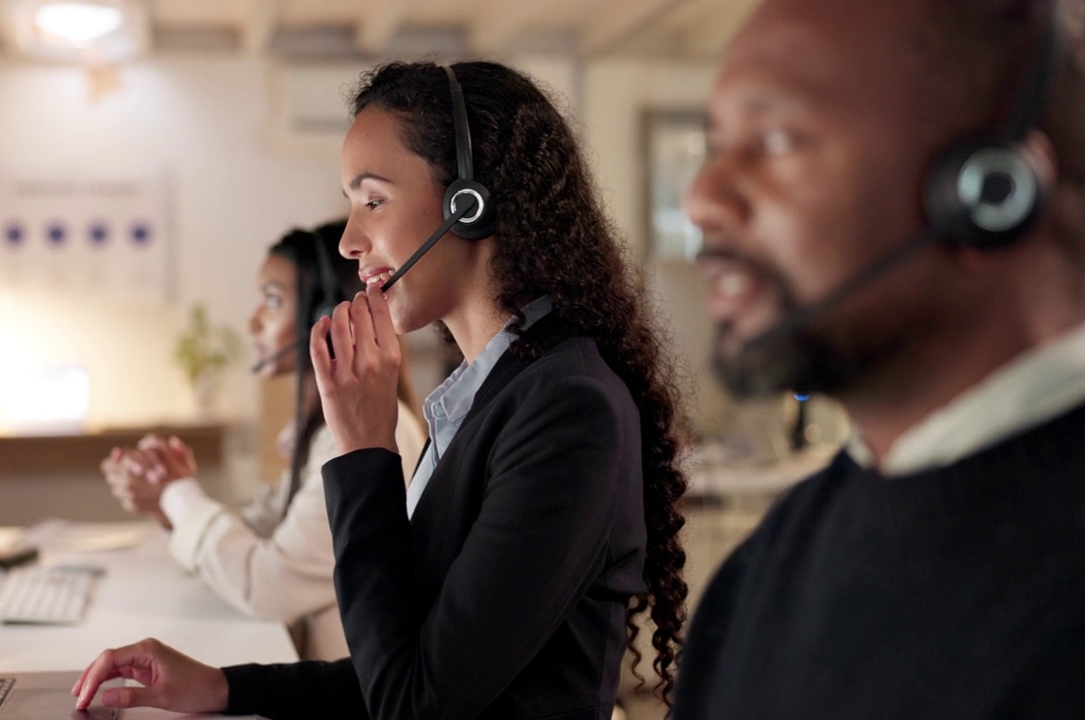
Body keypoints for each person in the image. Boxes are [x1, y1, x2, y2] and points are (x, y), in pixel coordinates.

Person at [74, 60, 689, 719]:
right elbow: (407, 666)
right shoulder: (487, 398)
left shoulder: (571, 410)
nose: (348, 240)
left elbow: (415, 705)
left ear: (468, 204)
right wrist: (224, 687)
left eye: (372, 201)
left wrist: (364, 449)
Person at [673, 0, 1085, 716]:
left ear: (992, 192)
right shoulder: (769, 565)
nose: (703, 199)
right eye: (715, 145)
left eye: (775, 139)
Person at [99, 219, 426, 662]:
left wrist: (179, 494)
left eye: (272, 301)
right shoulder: (323, 431)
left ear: (323, 317)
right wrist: (167, 500)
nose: (253, 321)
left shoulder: (360, 434)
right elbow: (263, 530)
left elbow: (271, 585)